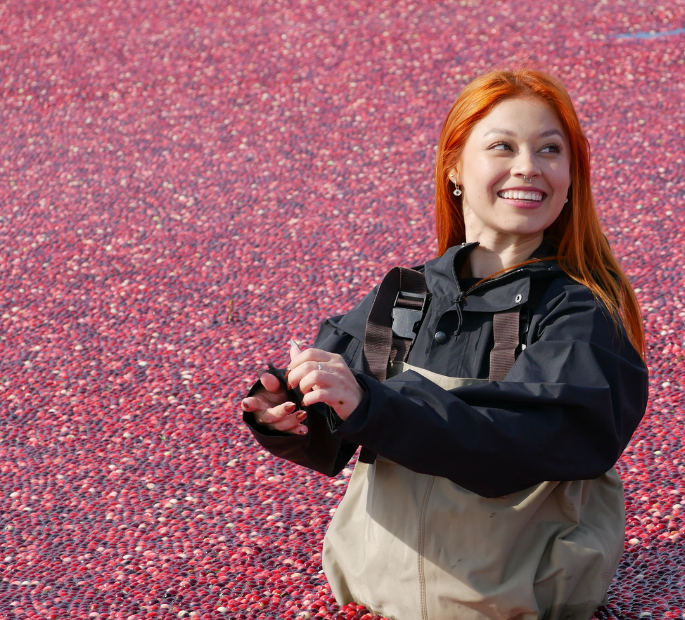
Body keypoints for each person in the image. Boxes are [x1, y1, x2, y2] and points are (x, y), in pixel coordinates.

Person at [241, 68, 649, 620]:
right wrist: (290, 412)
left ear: (572, 175)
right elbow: (332, 436)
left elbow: (522, 442)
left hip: (524, 597)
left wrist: (372, 404)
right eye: (503, 146)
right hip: (374, 590)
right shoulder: (406, 296)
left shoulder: (579, 314)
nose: (528, 166)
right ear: (454, 166)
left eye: (550, 149)